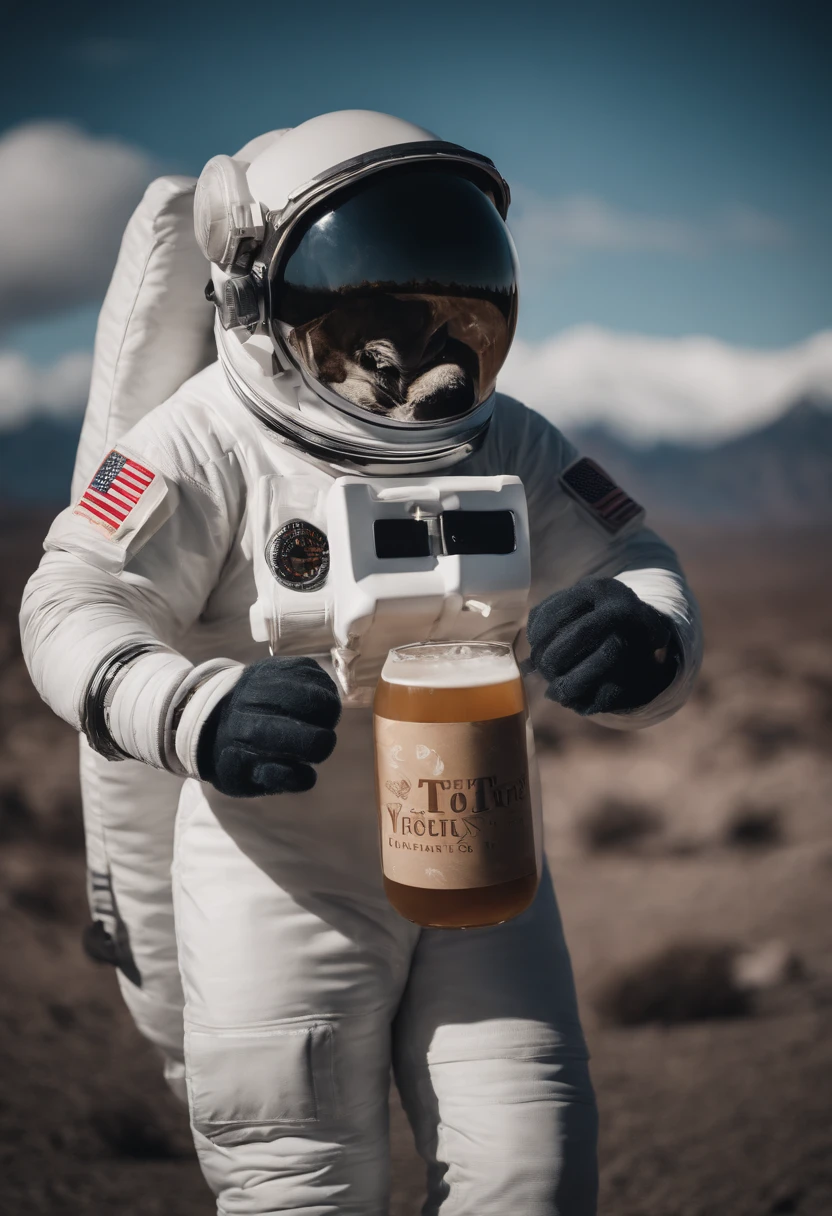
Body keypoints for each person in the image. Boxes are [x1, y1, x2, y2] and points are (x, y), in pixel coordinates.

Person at [20, 110, 701, 1215]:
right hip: (280, 869)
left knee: (529, 1171)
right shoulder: (205, 442)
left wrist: (643, 632)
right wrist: (195, 709)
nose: (426, 365)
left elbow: (633, 555)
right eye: (370, 317)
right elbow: (73, 598)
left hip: (481, 848)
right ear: (251, 289)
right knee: (301, 1184)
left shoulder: (507, 440)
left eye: (446, 318)